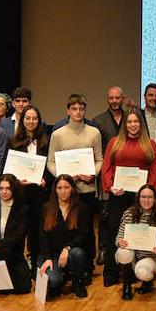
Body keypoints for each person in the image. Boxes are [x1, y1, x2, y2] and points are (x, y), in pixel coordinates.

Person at [102, 109, 156, 286]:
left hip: (141, 198)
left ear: (141, 124)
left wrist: (148, 192)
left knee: (139, 233)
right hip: (118, 195)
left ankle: (136, 272)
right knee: (115, 232)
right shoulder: (114, 142)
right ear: (124, 124)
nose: (133, 125)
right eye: (129, 122)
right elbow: (107, 167)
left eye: (136, 122)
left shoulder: (150, 144)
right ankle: (111, 273)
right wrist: (110, 186)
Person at [46, 94, 104, 225]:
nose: (78, 112)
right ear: (68, 111)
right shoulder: (57, 134)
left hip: (87, 189)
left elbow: (99, 159)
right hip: (64, 191)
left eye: (81, 108)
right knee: (64, 227)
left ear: (85, 110)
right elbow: (50, 162)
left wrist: (92, 174)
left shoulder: (94, 132)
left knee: (87, 228)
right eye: (74, 108)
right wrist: (63, 178)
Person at [38, 175, 92, 298]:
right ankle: (60, 278)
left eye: (66, 187)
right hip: (51, 254)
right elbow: (43, 237)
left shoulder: (81, 207)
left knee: (77, 253)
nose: (63, 191)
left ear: (72, 189)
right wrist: (47, 258)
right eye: (59, 188)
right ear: (55, 190)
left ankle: (77, 282)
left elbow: (83, 234)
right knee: (54, 281)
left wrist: (68, 248)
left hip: (71, 251)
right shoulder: (46, 208)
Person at [8, 104, 50, 262]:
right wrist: (16, 181)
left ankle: (34, 260)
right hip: (20, 192)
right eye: (28, 118)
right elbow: (9, 168)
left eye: (34, 118)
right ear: (22, 120)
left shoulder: (46, 141)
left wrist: (45, 178)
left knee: (36, 228)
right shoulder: (13, 141)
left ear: (39, 120)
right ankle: (18, 262)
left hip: (40, 193)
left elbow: (50, 165)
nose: (31, 121)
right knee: (19, 228)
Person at [114, 185, 156, 300]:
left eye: (150, 197)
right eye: (143, 197)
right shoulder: (129, 213)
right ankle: (127, 284)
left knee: (143, 273)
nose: (146, 200)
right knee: (123, 253)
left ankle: (147, 282)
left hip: (148, 257)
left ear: (155, 199)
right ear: (138, 198)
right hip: (130, 254)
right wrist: (120, 242)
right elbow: (118, 238)